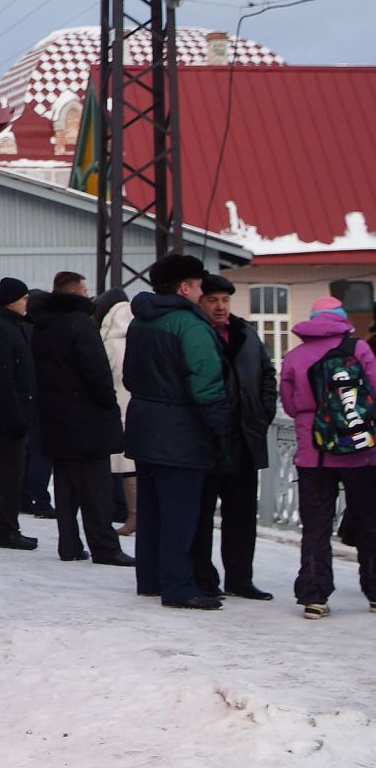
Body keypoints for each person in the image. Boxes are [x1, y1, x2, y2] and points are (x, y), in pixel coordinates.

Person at [122, 254, 228, 610]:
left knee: (151, 510)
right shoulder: (190, 324)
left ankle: (150, 578)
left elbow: (129, 377)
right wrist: (221, 431)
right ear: (185, 287)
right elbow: (207, 386)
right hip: (181, 433)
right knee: (181, 513)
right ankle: (179, 586)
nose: (202, 293)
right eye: (199, 286)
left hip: (144, 426)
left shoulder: (140, 321)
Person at [277, 295, 376, 619]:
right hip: (360, 453)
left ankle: (314, 596)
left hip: (313, 456)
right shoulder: (359, 350)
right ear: (341, 318)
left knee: (316, 526)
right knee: (370, 522)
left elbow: (290, 406)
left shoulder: (294, 357)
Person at [33, 272, 134, 567]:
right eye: (85, 289)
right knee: (96, 488)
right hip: (87, 419)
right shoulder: (80, 324)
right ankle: (105, 547)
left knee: (65, 485)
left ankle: (70, 544)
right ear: (76, 293)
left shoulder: (43, 326)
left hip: (55, 417)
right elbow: (97, 373)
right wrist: (107, 404)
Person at [191, 275, 277, 601]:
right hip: (208, 439)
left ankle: (240, 578)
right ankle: (203, 577)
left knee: (241, 516)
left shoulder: (246, 333)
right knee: (201, 515)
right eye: (213, 300)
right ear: (200, 302)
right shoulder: (196, 334)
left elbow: (267, 376)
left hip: (244, 438)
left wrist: (262, 415)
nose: (220, 306)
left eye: (225, 300)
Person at [0, 278, 38, 550]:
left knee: (13, 475)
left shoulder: (10, 327)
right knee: (9, 477)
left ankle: (9, 527)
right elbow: (2, 378)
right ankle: (6, 529)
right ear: (12, 300)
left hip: (11, 416)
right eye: (24, 298)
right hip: (7, 419)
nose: (27, 303)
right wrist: (16, 417)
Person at [95, 288, 138, 536]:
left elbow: (103, 379)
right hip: (138, 411)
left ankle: (132, 517)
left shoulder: (111, 344)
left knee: (126, 468)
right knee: (136, 467)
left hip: (117, 412)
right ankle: (136, 515)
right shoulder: (137, 337)